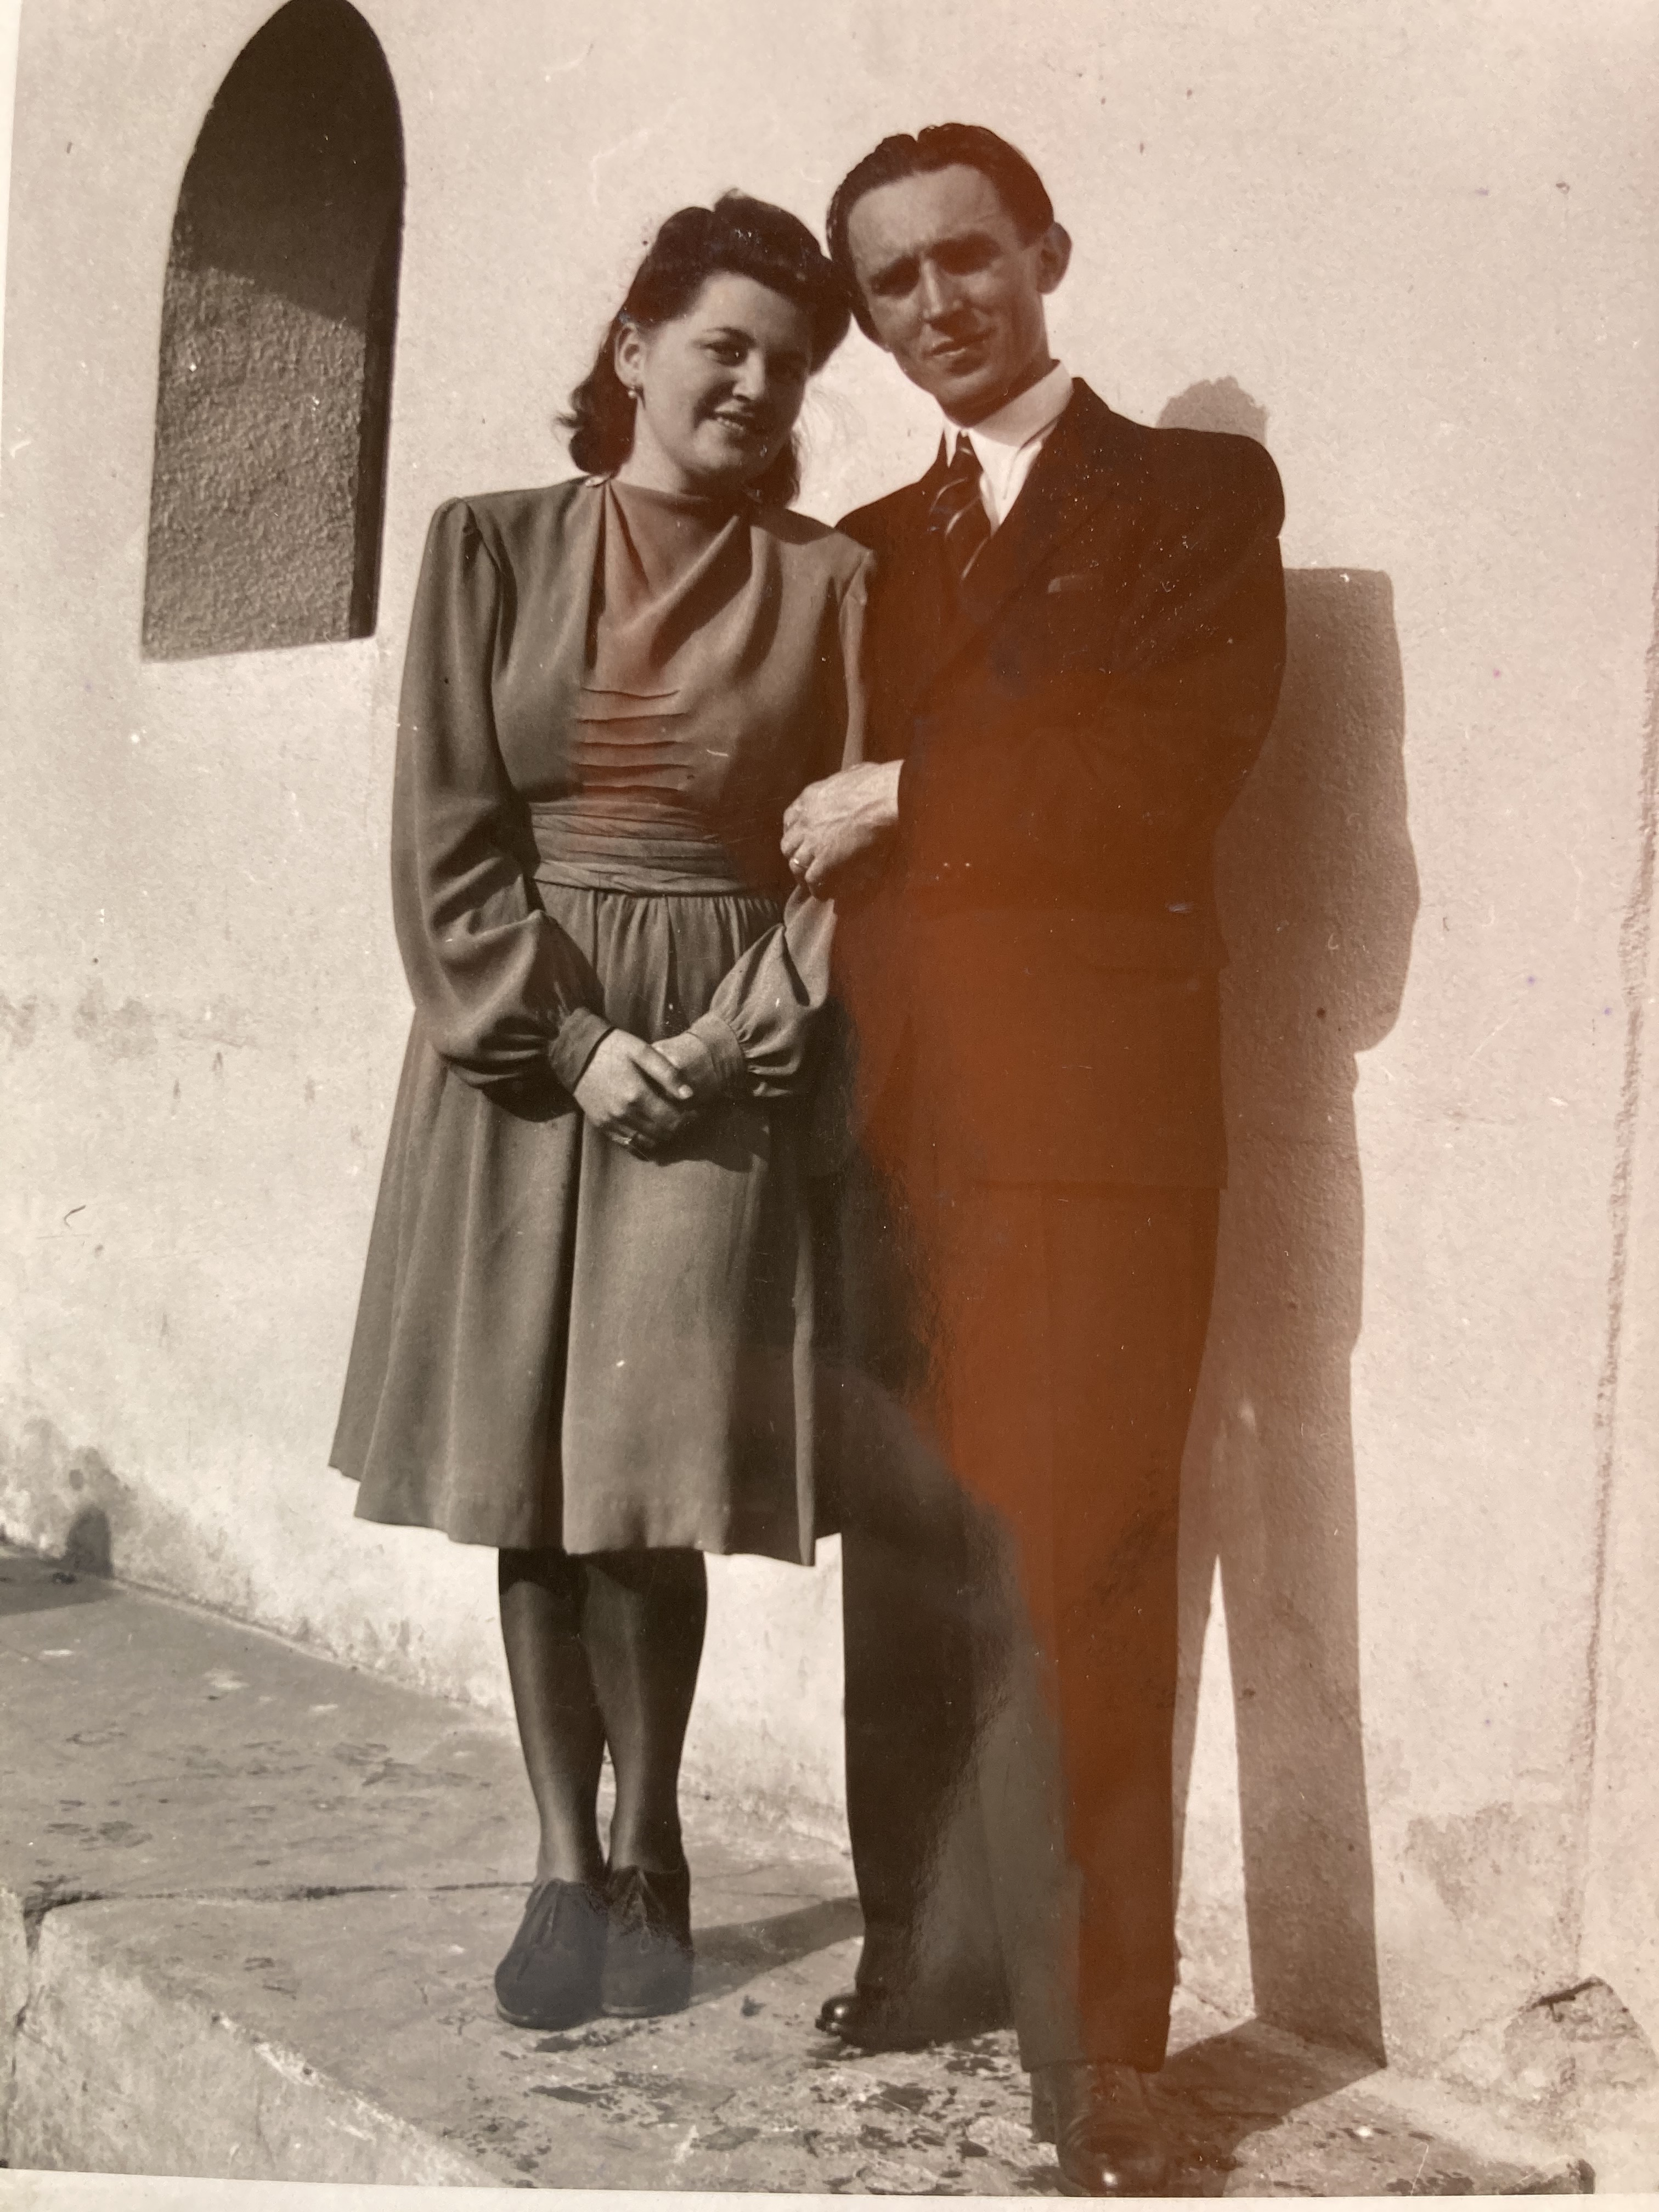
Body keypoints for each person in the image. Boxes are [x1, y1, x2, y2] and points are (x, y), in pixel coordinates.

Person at [783, 126, 1286, 2194]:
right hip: (892, 1120)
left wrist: (909, 786)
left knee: (1081, 1563)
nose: (938, 306)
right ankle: (926, 1957)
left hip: (1092, 1133)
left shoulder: (1193, 496)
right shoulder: (857, 548)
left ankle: (1104, 2062)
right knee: (912, 1558)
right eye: (892, 283)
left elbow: (1165, 769)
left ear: (1046, 252)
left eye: (968, 257)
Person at [331, 192, 867, 2034]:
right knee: (534, 1485)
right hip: (522, 1056)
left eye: (787, 364)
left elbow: (838, 871)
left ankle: (656, 1845)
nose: (756, 385)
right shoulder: (490, 545)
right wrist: (562, 1044)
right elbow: (446, 833)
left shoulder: (831, 583)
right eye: (724, 344)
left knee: (646, 1484)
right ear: (634, 347)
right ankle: (564, 1861)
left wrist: (723, 1044)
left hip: (719, 1052)